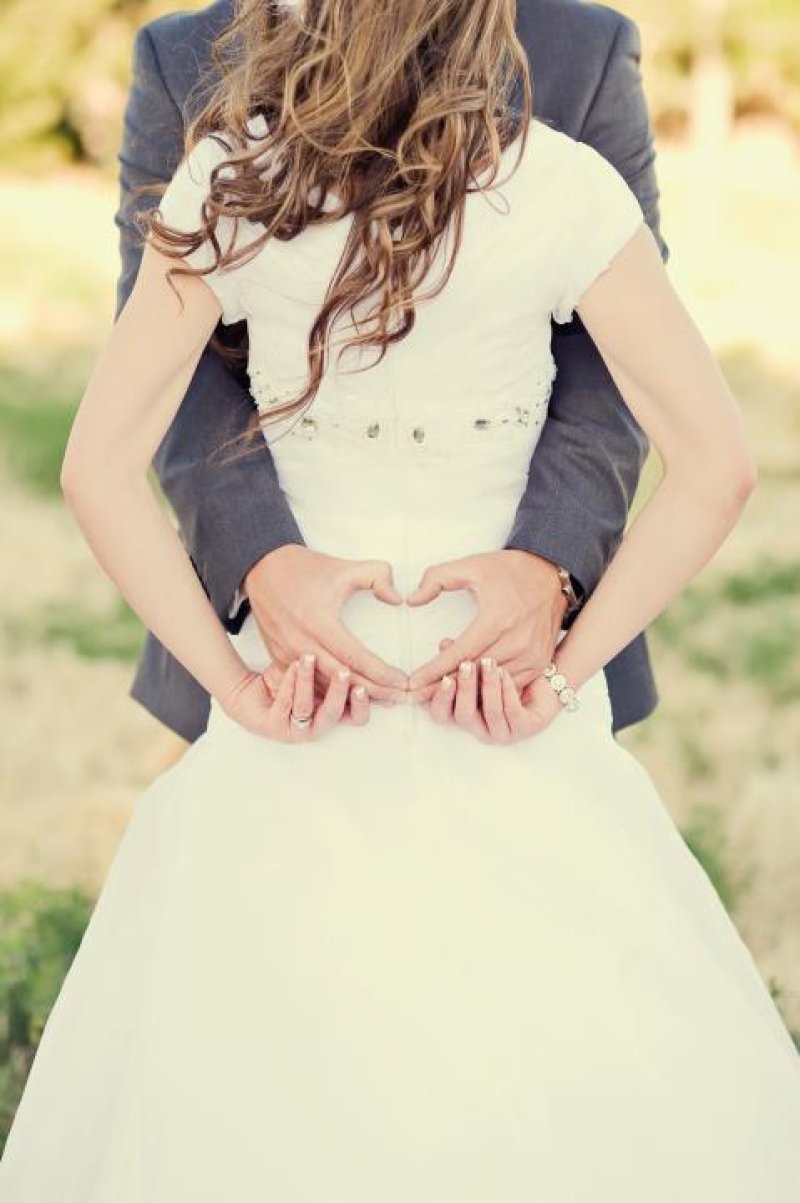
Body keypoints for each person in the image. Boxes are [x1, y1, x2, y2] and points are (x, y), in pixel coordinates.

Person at [2, 0, 800, 1198]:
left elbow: (89, 466)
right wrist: (558, 675)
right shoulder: (563, 186)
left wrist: (237, 683)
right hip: (501, 709)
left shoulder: (228, 177)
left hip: (299, 716)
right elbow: (721, 466)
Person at [119, 0, 668, 744]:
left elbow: (618, 366)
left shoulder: (586, 47)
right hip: (274, 648)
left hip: (518, 650)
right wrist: (258, 562)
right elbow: (166, 378)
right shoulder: (182, 54)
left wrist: (551, 566)